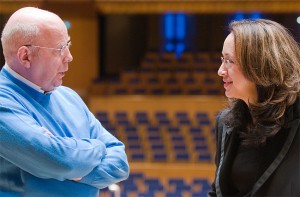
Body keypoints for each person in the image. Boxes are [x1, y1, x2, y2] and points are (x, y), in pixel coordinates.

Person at [0, 7, 129, 197]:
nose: (69, 56)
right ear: (25, 56)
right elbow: (58, 160)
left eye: (67, 45)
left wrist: (73, 166)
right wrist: (98, 147)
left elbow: (120, 164)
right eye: (59, 49)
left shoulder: (69, 97)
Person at [209, 19, 300, 196]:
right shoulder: (225, 122)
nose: (220, 70)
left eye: (229, 61)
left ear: (259, 65)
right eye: (222, 59)